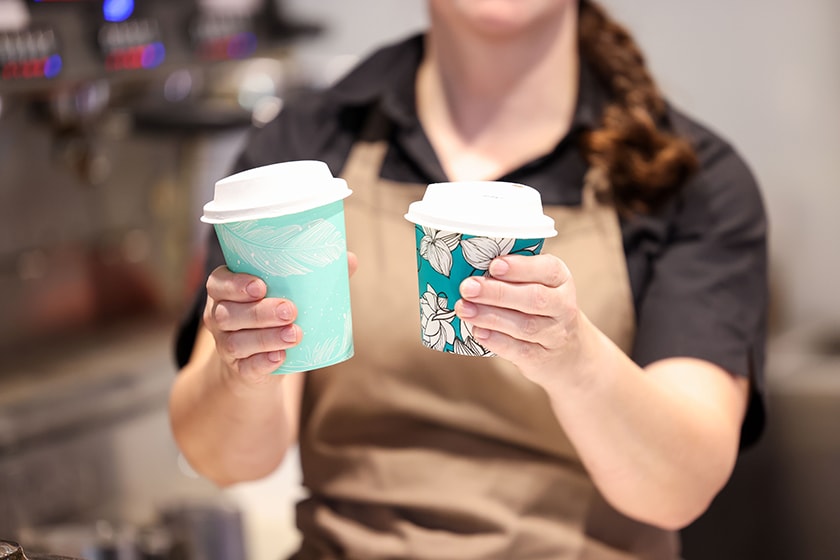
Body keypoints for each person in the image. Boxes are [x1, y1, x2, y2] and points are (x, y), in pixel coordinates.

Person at [170, 0, 768, 558]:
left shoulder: (688, 178)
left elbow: (678, 488)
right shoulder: (304, 149)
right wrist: (242, 370)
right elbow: (225, 461)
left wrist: (576, 361)